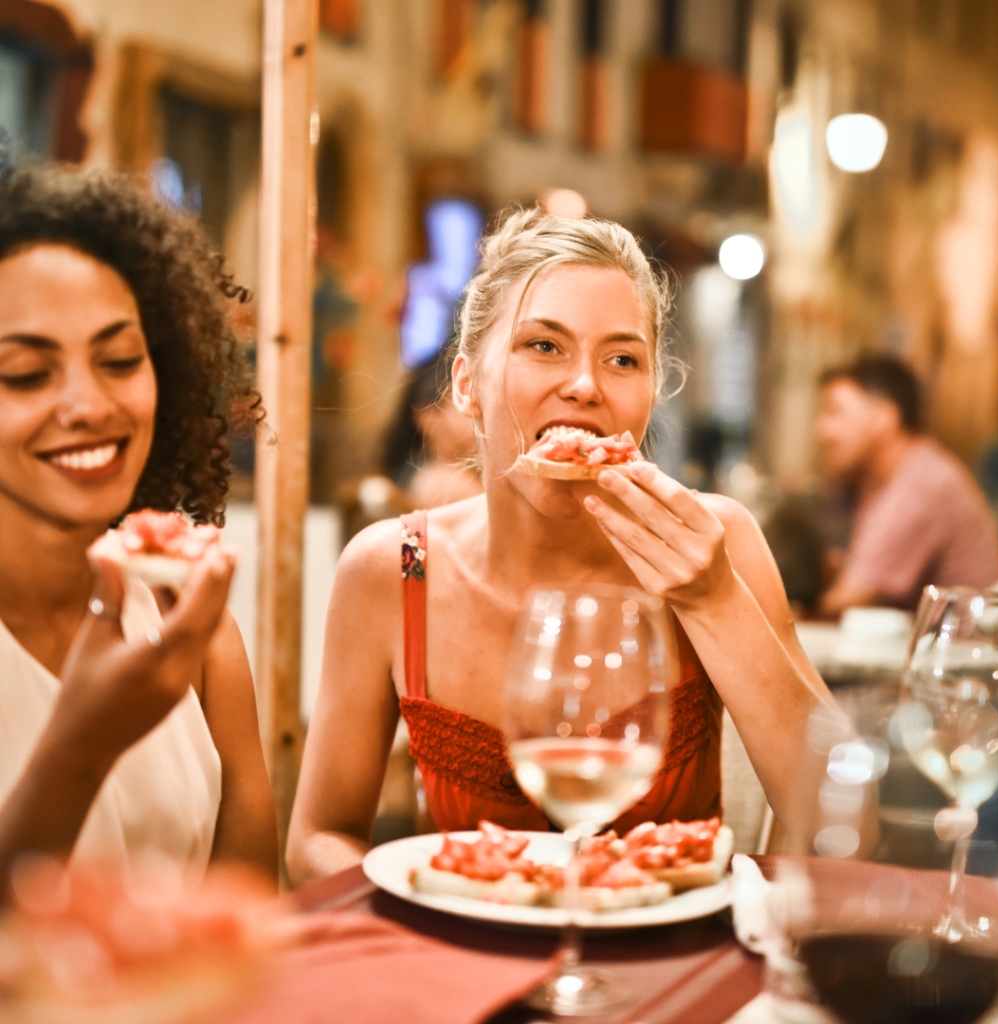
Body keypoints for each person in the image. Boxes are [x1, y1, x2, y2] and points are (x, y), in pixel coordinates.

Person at [286, 207, 831, 882]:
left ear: (650, 394)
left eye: (622, 359)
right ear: (466, 388)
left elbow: (839, 823)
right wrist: (415, 909)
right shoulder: (393, 569)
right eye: (543, 346)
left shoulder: (720, 542)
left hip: (673, 968)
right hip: (467, 963)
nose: (585, 385)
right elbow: (316, 837)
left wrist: (714, 597)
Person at [0, 160, 278, 890]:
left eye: (120, 359)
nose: (89, 404)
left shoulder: (193, 624)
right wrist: (79, 750)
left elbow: (243, 918)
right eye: (25, 373)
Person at [814, 355, 998, 617]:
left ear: (883, 417)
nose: (821, 429)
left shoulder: (921, 484)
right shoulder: (879, 478)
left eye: (835, 412)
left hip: (966, 648)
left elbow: (851, 598)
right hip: (930, 644)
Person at [384, 354, 483, 510]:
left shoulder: (420, 475)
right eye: (466, 401)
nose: (478, 415)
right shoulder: (449, 484)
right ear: (427, 417)